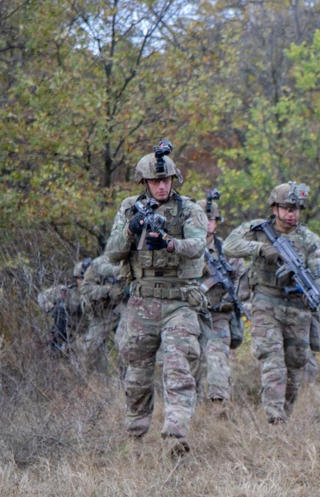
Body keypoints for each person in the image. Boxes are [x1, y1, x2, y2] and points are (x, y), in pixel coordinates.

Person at [104, 141, 208, 459]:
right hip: (142, 300)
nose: (161, 186)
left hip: (179, 299)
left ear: (173, 180)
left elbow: (198, 244)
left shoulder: (189, 209)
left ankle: (175, 437)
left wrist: (170, 244)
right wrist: (132, 231)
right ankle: (135, 437)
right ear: (144, 182)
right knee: (136, 374)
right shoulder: (128, 208)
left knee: (178, 366)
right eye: (154, 181)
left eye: (165, 181)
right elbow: (112, 254)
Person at [222, 182, 320, 424]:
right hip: (265, 304)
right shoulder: (258, 230)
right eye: (287, 208)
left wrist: (316, 291)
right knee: (272, 359)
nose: (292, 213)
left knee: (295, 366)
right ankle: (274, 417)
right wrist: (260, 248)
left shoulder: (309, 239)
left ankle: (284, 416)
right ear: (275, 208)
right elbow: (229, 246)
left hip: (297, 307)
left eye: (296, 209)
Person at [197, 194, 246, 403]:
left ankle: (219, 406)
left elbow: (241, 279)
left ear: (217, 222)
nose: (208, 223)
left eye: (212, 219)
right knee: (190, 362)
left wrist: (231, 299)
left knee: (218, 360)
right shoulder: (184, 248)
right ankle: (192, 406)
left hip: (218, 315)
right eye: (204, 219)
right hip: (189, 314)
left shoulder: (226, 251)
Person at [78, 254, 127, 370]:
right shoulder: (99, 263)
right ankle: (93, 381)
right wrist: (107, 290)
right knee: (90, 350)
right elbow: (85, 288)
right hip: (105, 311)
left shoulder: (133, 260)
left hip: (127, 307)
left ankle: (125, 380)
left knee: (126, 345)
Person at [37, 260, 89, 354]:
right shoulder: (67, 291)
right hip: (67, 334)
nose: (83, 281)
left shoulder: (98, 293)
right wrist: (53, 309)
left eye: (86, 278)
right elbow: (42, 297)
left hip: (87, 337)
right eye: (80, 278)